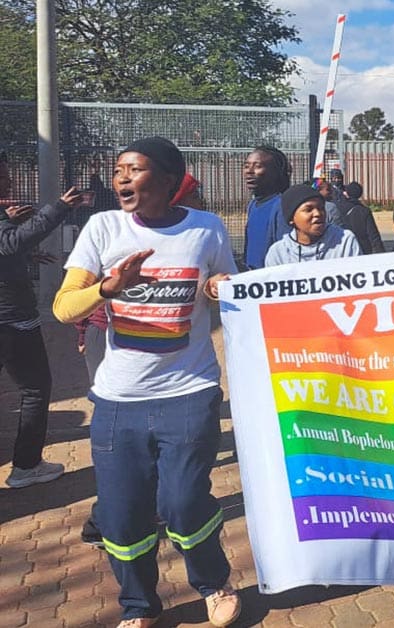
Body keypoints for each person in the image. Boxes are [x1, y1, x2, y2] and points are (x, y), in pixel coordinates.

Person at [52, 137, 241, 628]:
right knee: (121, 513)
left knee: (183, 502)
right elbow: (64, 307)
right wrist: (108, 287)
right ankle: (138, 606)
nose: (122, 178)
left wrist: (215, 287)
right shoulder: (103, 227)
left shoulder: (206, 227)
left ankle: (214, 583)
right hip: (119, 400)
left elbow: (224, 283)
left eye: (134, 170)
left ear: (169, 179)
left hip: (189, 390)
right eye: (119, 170)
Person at [0, 187, 83, 488]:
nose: (8, 184)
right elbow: (10, 242)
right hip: (12, 321)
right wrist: (58, 207)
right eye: (2, 177)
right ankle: (26, 466)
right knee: (35, 389)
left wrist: (23, 252)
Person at [265, 183, 362, 266]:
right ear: (291, 218)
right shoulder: (278, 253)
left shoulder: (345, 241)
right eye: (308, 210)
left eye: (321, 208)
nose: (317, 214)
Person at [242, 146, 291, 269]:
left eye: (258, 166)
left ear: (275, 172)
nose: (249, 171)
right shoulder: (253, 205)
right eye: (247, 166)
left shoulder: (282, 205)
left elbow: (285, 254)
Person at [336, 181, 385, 254]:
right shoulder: (364, 211)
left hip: (343, 248)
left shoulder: (337, 208)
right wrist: (381, 253)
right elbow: (373, 235)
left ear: (347, 193)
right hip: (363, 249)